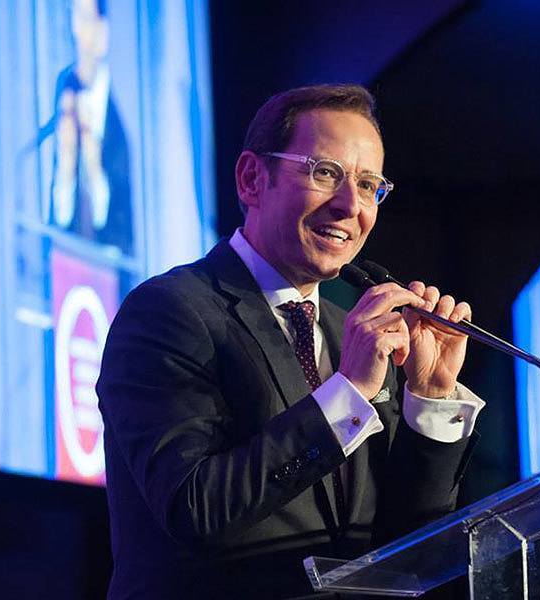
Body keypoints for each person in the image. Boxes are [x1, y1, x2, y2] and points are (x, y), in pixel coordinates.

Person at [97, 84, 485, 599]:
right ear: (252, 179)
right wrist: (347, 391)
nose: (351, 206)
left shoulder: (353, 329)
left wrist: (430, 400)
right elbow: (195, 508)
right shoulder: (170, 311)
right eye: (325, 173)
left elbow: (407, 551)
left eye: (370, 185)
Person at [49, 0, 133, 255]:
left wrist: (94, 166)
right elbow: (60, 220)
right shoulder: (64, 93)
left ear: (102, 32)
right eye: (73, 18)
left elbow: (118, 233)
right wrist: (66, 166)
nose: (75, 31)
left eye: (84, 18)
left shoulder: (117, 126)